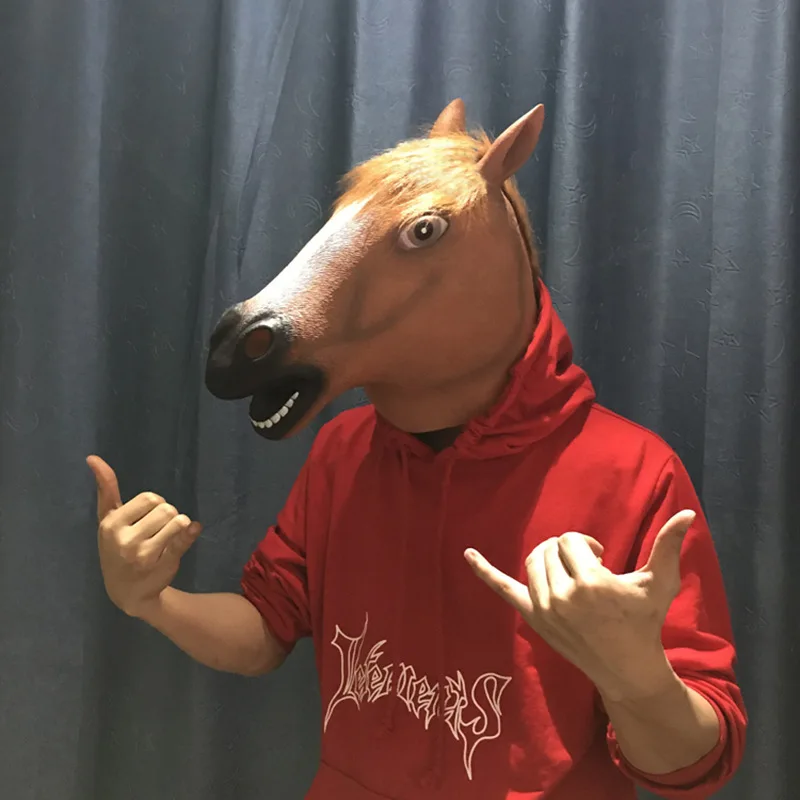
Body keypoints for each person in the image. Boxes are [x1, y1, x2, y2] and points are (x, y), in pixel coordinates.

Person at [88, 99, 746, 799]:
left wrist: (637, 679)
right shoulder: (344, 451)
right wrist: (152, 601)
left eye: (424, 231)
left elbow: (692, 764)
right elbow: (267, 628)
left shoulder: (633, 471)